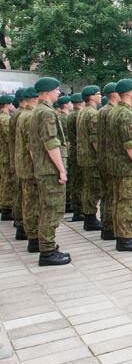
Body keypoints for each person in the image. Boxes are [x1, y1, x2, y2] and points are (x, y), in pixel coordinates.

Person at [29, 78, 71, 265]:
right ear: (47, 92)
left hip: (42, 168)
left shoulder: (36, 111)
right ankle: (47, 251)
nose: (58, 93)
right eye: (56, 90)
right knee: (52, 209)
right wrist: (61, 170)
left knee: (46, 207)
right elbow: (51, 143)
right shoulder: (46, 113)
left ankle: (46, 246)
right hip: (50, 169)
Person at [106, 79, 132, 251]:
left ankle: (122, 235)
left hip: (116, 165)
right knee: (128, 202)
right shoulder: (126, 114)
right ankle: (124, 238)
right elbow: (130, 144)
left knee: (118, 201)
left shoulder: (114, 111)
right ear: (129, 92)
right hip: (126, 166)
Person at [76, 85, 104, 231]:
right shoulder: (92, 113)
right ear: (91, 97)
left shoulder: (83, 111)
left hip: (84, 156)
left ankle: (89, 217)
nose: (100, 96)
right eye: (98, 94)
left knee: (87, 187)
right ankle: (91, 218)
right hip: (92, 158)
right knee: (94, 188)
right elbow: (95, 140)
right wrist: (101, 156)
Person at [16, 86, 40, 253]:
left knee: (28, 200)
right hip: (31, 167)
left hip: (23, 164)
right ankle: (34, 238)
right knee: (33, 202)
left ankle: (28, 232)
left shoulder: (22, 114)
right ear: (35, 98)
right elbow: (32, 147)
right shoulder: (30, 116)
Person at [97, 82, 119, 241]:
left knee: (106, 194)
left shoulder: (101, 111)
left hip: (103, 157)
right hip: (113, 159)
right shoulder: (113, 111)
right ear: (114, 94)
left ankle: (106, 225)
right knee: (113, 195)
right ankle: (110, 227)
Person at [8, 89, 26, 238]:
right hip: (24, 160)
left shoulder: (16, 114)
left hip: (18, 157)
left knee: (20, 192)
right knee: (25, 195)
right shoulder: (22, 114)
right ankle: (22, 224)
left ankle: (20, 222)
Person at [66, 93, 85, 221]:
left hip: (74, 149)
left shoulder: (71, 114)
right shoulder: (78, 115)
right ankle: (79, 209)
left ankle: (77, 208)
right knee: (80, 182)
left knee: (76, 181)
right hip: (79, 150)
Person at [0, 95, 13, 221]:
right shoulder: (5, 119)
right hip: (6, 155)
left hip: (3, 154)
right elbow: (10, 139)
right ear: (6, 105)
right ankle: (7, 209)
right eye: (10, 103)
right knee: (7, 182)